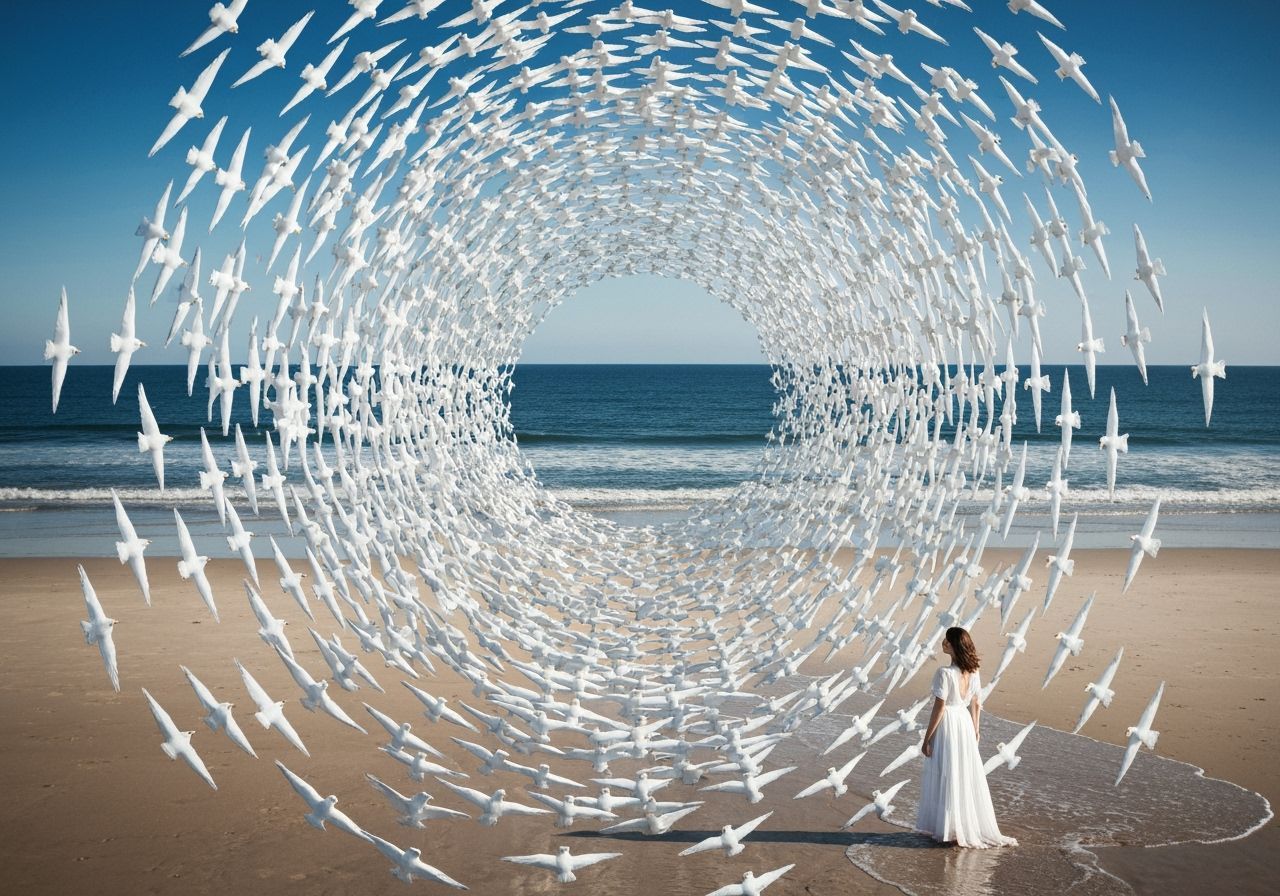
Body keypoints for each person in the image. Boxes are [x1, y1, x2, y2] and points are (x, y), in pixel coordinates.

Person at [916, 626, 1017, 848]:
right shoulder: (973, 671)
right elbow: (977, 703)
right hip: (964, 723)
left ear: (954, 646)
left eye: (947, 641)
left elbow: (939, 708)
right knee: (963, 773)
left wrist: (927, 738)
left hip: (949, 724)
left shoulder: (944, 673)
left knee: (947, 773)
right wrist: (976, 729)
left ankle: (951, 829)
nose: (943, 643)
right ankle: (959, 826)